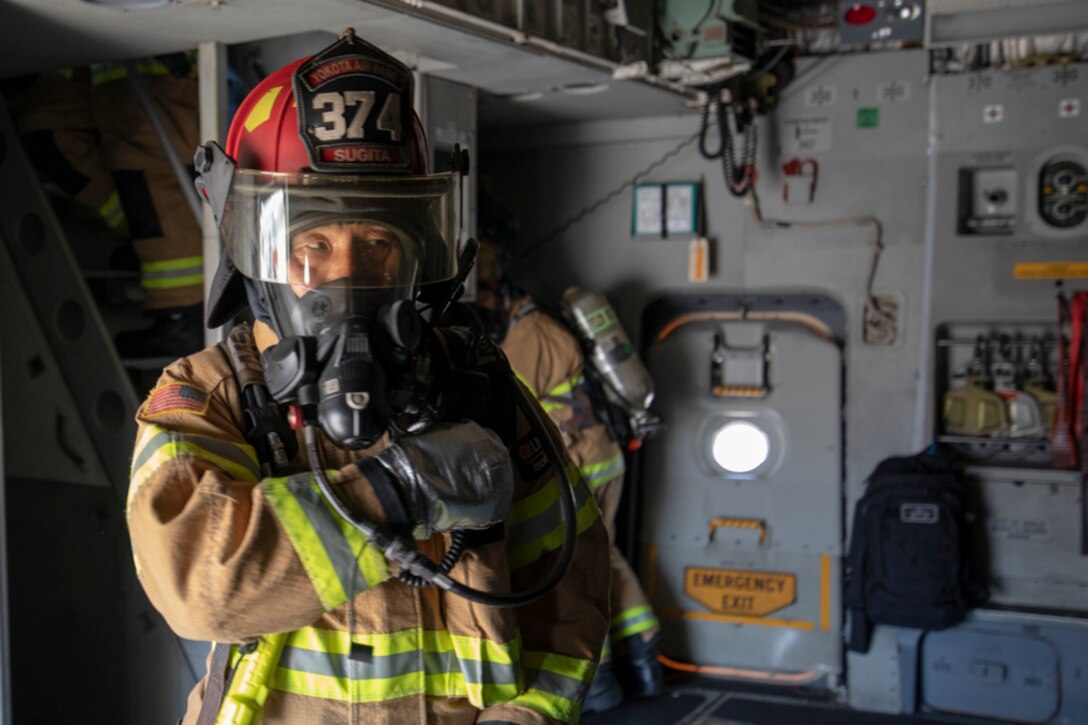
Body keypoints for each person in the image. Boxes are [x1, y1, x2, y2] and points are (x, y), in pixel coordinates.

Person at [125, 29, 610, 724]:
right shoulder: (210, 399)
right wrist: (396, 490)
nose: (346, 279)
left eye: (378, 242)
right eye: (312, 245)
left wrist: (528, 715)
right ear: (249, 247)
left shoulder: (480, 390)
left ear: (416, 252)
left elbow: (572, 586)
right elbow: (197, 588)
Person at [474, 243, 664, 713]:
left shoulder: (530, 334)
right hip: (598, 456)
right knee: (607, 557)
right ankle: (642, 659)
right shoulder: (537, 322)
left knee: (580, 566)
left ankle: (599, 681)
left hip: (584, 462)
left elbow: (507, 405)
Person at [10, 54, 205, 358]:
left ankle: (185, 314)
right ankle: (149, 242)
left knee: (147, 166)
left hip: (148, 50)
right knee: (45, 133)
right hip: (87, 55)